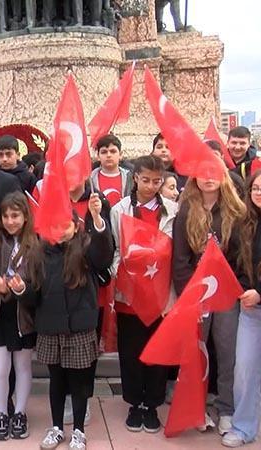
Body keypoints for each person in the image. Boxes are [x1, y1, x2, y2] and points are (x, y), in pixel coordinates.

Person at [20, 198, 114, 450]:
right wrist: (20, 289)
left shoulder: (86, 247)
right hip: (50, 328)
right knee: (57, 382)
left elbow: (103, 258)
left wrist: (98, 221)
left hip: (80, 328)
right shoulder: (38, 253)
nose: (61, 230)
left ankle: (79, 431)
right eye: (55, 225)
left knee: (79, 383)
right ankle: (57, 428)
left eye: (66, 225)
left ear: (75, 225)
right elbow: (33, 296)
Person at [173, 173, 245, 435]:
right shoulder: (186, 212)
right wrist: (188, 297)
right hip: (197, 294)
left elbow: (241, 255)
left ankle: (226, 408)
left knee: (228, 353)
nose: (208, 179)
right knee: (196, 353)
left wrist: (236, 287)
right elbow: (180, 261)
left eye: (213, 172)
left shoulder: (235, 211)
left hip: (226, 293)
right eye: (202, 173)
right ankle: (196, 408)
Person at [110, 155, 178, 434]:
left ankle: (152, 405)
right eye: (146, 180)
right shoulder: (120, 210)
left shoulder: (173, 210)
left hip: (161, 296)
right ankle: (134, 403)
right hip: (131, 296)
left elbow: (177, 255)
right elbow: (115, 249)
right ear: (135, 177)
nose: (151, 186)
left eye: (156, 181)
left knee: (157, 352)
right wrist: (123, 270)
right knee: (132, 352)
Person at [0, 192, 39, 442]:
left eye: (15, 215)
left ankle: (20, 413)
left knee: (23, 366)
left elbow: (36, 283)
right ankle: (2, 413)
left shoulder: (35, 245)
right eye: (6, 216)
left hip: (23, 316)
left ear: (25, 217)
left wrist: (14, 287)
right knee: (1, 368)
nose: (10, 221)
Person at [224, 170, 261, 447]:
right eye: (256, 188)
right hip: (251, 311)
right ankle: (243, 426)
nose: (259, 193)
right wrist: (241, 289)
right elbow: (232, 263)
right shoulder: (243, 224)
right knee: (244, 369)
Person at [90, 134, 132, 208]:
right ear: (98, 156)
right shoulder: (90, 179)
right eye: (104, 152)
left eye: (113, 151)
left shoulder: (131, 178)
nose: (108, 155)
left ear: (120, 155)